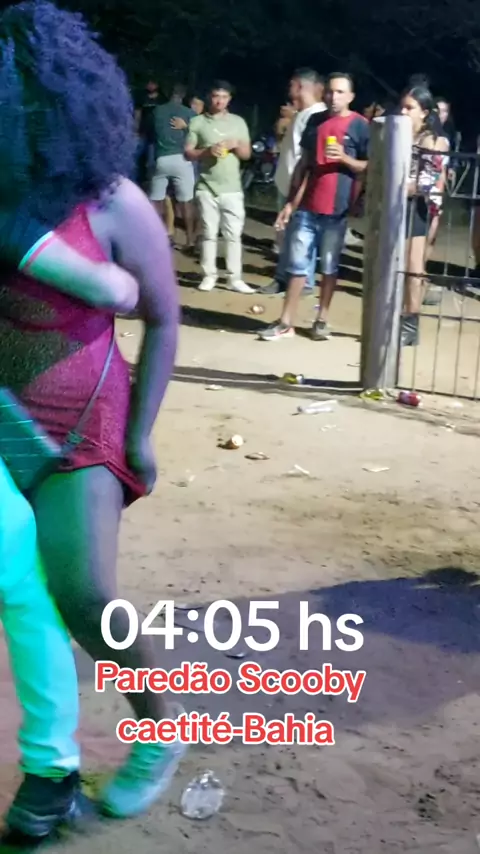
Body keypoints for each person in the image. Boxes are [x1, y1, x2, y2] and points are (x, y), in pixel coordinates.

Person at [0, 0, 183, 822]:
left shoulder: (113, 202)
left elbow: (163, 318)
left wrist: (140, 435)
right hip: (1, 419)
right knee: (23, 591)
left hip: (81, 425)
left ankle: (161, 729)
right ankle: (51, 766)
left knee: (84, 594)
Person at [259, 72, 369, 341]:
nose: (334, 97)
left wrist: (344, 159)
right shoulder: (315, 121)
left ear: (351, 96)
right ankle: (286, 322)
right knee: (297, 265)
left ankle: (322, 320)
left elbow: (369, 166)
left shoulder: (360, 126)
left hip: (337, 211)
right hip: (307, 207)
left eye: (340, 92)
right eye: (330, 91)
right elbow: (304, 164)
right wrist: (290, 203)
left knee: (329, 266)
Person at [260, 69, 326, 295]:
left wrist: (298, 191)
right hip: (288, 184)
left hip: (300, 189)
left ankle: (304, 282)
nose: (289, 91)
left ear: (299, 86)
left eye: (291, 86)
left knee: (301, 237)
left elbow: (308, 159)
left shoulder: (316, 116)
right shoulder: (301, 114)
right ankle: (282, 278)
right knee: (286, 235)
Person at [185, 80, 254, 293]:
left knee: (233, 235)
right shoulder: (197, 122)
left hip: (232, 187)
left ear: (229, 99)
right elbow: (188, 152)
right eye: (216, 96)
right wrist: (207, 151)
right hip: (206, 186)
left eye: (224, 97)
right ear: (210, 98)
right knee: (209, 233)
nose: (219, 101)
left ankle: (235, 278)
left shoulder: (238, 122)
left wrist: (236, 145)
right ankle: (209, 275)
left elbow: (247, 155)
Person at [400, 85, 448, 346]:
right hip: (396, 204)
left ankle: (411, 322)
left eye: (410, 108)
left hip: (416, 206)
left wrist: (404, 188)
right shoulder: (401, 134)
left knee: (413, 266)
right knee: (397, 264)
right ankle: (398, 316)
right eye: (403, 106)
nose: (404, 112)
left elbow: (429, 181)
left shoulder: (429, 140)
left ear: (424, 112)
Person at [150, 83, 196, 249]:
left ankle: (155, 237)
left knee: (157, 200)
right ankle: (190, 239)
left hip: (161, 158)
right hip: (182, 158)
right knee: (186, 201)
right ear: (183, 95)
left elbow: (151, 133)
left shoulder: (157, 111)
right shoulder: (189, 113)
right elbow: (197, 134)